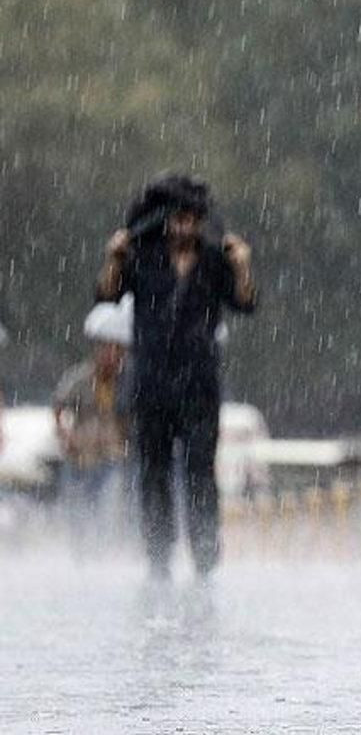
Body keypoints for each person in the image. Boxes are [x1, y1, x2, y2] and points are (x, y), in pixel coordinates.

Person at [96, 173, 256, 581]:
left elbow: (246, 303)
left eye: (193, 219)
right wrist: (114, 257)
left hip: (200, 382)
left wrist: (242, 267)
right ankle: (158, 556)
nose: (186, 227)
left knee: (201, 469)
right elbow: (105, 295)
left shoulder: (216, 259)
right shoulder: (140, 256)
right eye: (178, 219)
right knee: (153, 471)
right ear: (165, 220)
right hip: (150, 381)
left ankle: (205, 555)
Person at [52, 306, 131, 557]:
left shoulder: (127, 382)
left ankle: (103, 556)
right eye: (105, 348)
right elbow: (58, 405)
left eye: (115, 349)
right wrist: (65, 435)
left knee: (107, 512)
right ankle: (81, 558)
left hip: (111, 458)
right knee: (78, 516)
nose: (110, 354)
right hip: (80, 458)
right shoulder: (81, 378)